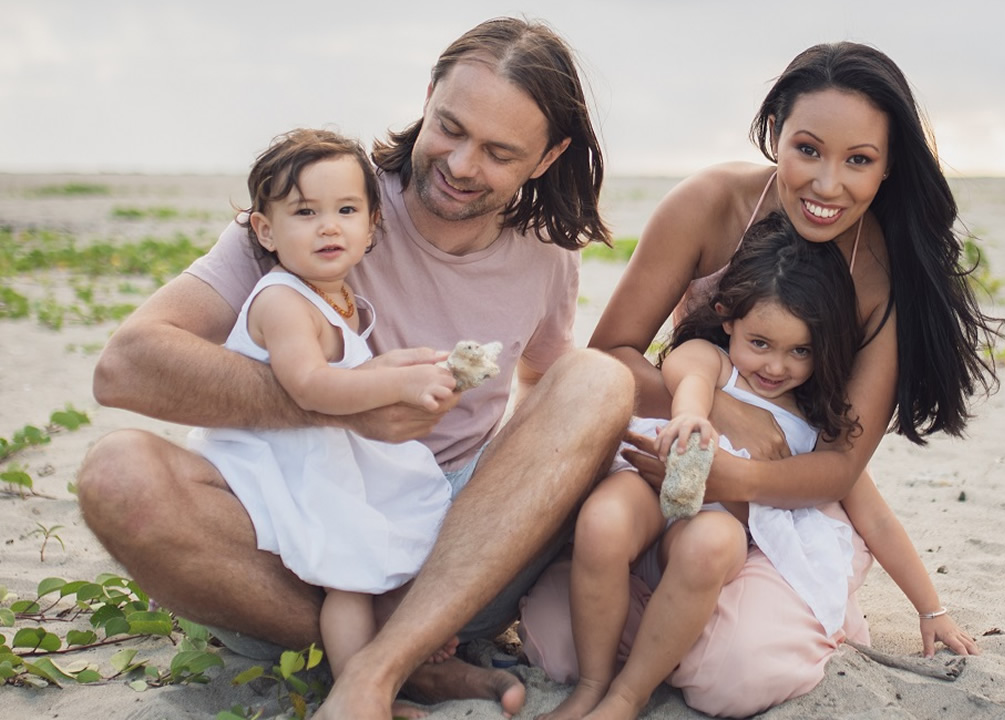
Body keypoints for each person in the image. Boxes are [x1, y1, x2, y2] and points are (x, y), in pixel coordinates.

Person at [77, 18, 633, 720]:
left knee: (600, 379)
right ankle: (404, 663)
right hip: (296, 539)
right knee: (116, 474)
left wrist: (490, 517)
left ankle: (382, 661)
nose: (462, 165)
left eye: (498, 152)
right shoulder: (325, 200)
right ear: (428, 95)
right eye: (450, 128)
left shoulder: (546, 253)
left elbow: (548, 395)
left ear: (548, 155)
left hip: (448, 557)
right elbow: (125, 369)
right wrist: (337, 403)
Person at [523, 41, 1000, 717]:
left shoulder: (883, 281)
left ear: (888, 167)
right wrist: (728, 412)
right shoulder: (713, 204)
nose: (827, 184)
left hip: (781, 501)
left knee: (736, 678)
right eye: (808, 149)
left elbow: (839, 469)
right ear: (776, 131)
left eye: (859, 161)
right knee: (558, 635)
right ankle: (654, 646)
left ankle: (714, 637)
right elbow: (611, 361)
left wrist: (733, 478)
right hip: (675, 471)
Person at [528, 212, 876, 720]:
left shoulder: (810, 419)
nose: (776, 366)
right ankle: (592, 684)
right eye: (761, 343)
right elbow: (684, 378)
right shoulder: (712, 360)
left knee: (711, 543)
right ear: (728, 319)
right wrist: (693, 419)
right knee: (602, 523)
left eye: (800, 350)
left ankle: (627, 696)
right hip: (653, 483)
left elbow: (873, 513)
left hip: (715, 524)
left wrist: (931, 609)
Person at [185, 127, 464, 718]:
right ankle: (359, 686)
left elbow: (348, 370)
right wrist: (397, 382)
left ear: (371, 226)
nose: (329, 226)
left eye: (345, 210)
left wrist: (399, 366)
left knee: (390, 537)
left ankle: (400, 654)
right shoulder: (281, 299)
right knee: (348, 574)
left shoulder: (337, 296)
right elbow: (309, 386)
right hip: (282, 462)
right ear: (265, 230)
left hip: (324, 452)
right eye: (304, 212)